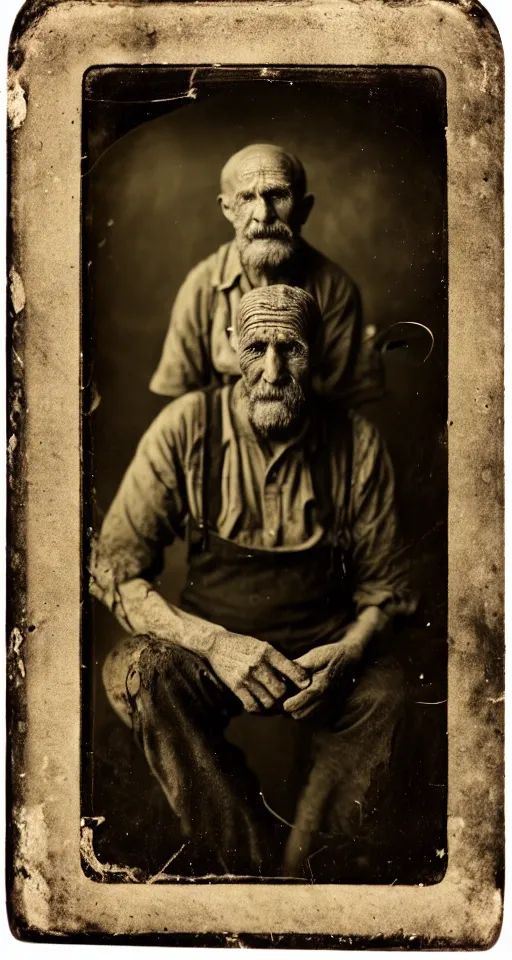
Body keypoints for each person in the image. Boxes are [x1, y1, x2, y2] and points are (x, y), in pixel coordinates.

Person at [90, 285, 415, 879]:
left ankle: (310, 872)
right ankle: (247, 871)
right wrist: (215, 645)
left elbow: (385, 592)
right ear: (229, 347)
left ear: (313, 352)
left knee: (387, 690)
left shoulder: (356, 444)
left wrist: (347, 652)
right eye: (256, 346)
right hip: (208, 658)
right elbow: (115, 571)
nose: (271, 370)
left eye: (289, 348)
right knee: (141, 670)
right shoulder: (185, 428)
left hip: (320, 662)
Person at [149, 142, 378, 403]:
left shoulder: (336, 291)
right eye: (247, 198)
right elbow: (181, 408)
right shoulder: (201, 289)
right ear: (228, 209)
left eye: (278, 196)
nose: (264, 215)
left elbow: (344, 410)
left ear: (304, 209)